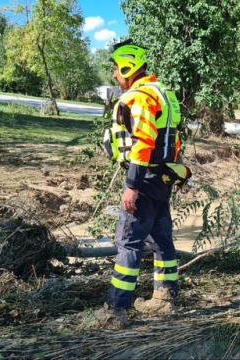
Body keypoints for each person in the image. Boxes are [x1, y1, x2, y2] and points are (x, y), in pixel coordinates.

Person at [89, 39, 184, 329]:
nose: (115, 75)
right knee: (161, 240)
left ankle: (115, 310)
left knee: (128, 242)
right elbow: (174, 140)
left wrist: (132, 185)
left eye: (117, 69)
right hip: (162, 178)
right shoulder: (163, 92)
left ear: (128, 68)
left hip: (143, 179)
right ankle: (165, 299)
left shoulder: (139, 97)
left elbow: (143, 141)